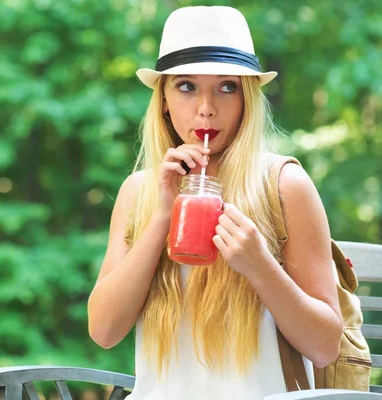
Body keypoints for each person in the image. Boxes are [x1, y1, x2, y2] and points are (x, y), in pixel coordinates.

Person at [87, 6, 343, 399]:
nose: (206, 107)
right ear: (164, 102)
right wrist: (161, 218)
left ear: (247, 99)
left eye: (227, 86)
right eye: (187, 86)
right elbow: (104, 331)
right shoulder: (139, 192)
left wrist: (260, 266)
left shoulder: (284, 185)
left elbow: (325, 348)